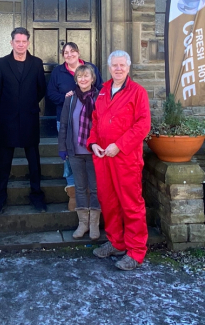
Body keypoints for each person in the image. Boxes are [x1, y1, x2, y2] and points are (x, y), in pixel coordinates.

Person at [87, 50, 151, 271]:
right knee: (109, 201)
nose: (118, 69)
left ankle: (135, 251)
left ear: (129, 67)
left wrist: (120, 145)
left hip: (125, 158)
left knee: (131, 204)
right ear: (109, 67)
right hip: (103, 156)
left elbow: (143, 125)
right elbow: (95, 120)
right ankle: (116, 242)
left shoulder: (138, 92)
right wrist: (93, 142)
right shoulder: (103, 91)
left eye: (122, 65)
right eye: (114, 65)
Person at [0, 27, 48, 215]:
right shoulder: (1, 63)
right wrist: (10, 107)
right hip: (8, 120)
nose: (21, 45)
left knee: (34, 162)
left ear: (28, 43)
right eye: (17, 41)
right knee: (3, 163)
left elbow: (41, 89)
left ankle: (37, 196)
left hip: (30, 118)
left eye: (24, 41)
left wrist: (27, 105)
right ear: (11, 42)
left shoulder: (37, 63)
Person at [46, 42, 103, 210]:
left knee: (90, 156)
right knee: (70, 156)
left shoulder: (90, 68)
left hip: (90, 120)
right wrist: (66, 99)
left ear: (78, 52)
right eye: (66, 52)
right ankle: (73, 192)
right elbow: (50, 93)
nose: (69, 54)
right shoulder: (58, 71)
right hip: (65, 119)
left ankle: (91, 193)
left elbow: (100, 88)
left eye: (72, 51)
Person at [57, 63, 101, 240]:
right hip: (74, 151)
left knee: (96, 188)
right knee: (80, 188)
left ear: (92, 79)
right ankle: (83, 224)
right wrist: (62, 148)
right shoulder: (70, 99)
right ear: (76, 79)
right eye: (80, 77)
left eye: (86, 76)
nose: (83, 79)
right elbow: (64, 125)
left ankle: (94, 225)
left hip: (95, 151)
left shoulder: (100, 98)